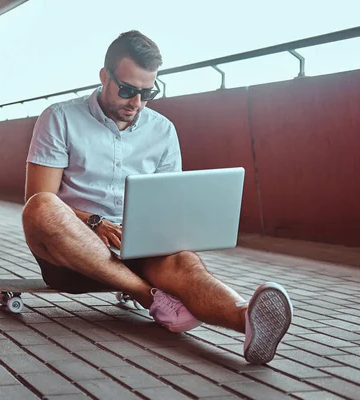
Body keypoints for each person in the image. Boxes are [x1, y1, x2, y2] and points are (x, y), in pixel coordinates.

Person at [21, 30, 292, 364]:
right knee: (42, 208)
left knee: (184, 263)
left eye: (148, 92)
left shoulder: (162, 131)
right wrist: (95, 222)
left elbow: (168, 203)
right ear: (104, 76)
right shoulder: (60, 118)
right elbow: (38, 198)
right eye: (127, 90)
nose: (137, 103)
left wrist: (177, 234)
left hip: (136, 248)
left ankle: (247, 318)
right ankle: (150, 299)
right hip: (73, 253)